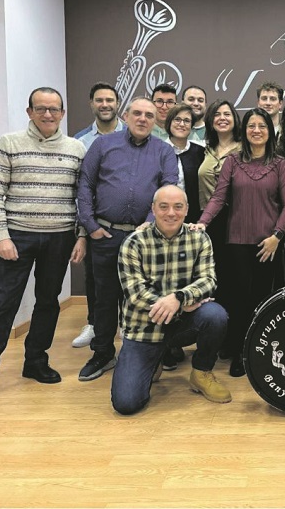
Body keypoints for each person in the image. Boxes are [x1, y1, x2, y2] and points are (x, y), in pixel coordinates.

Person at [0, 87, 87, 407]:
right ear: (30, 112)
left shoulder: (76, 148)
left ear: (63, 114)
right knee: (2, 303)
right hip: (19, 236)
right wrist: (1, 236)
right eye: (41, 108)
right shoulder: (9, 143)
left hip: (60, 236)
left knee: (48, 302)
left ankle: (36, 361)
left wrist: (80, 235)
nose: (48, 114)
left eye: (54, 109)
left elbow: (83, 198)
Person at [77, 97, 182, 382]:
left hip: (146, 238)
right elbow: (85, 184)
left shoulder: (164, 151)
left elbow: (169, 187)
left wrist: (149, 224)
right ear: (126, 115)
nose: (143, 119)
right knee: (105, 298)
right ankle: (102, 353)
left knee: (149, 295)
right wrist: (90, 225)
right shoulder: (103, 145)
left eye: (149, 115)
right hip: (106, 233)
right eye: (137, 113)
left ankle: (153, 352)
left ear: (155, 119)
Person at [111, 185, 231, 414]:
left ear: (186, 210)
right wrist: (179, 307)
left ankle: (201, 372)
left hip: (181, 326)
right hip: (144, 328)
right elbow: (135, 294)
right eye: (163, 207)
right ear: (153, 209)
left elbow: (208, 280)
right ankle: (155, 359)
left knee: (215, 315)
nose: (171, 213)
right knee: (126, 404)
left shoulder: (199, 238)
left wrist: (179, 297)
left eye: (178, 207)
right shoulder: (133, 242)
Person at [195, 107, 285, 378]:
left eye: (262, 126)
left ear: (269, 131)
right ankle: (239, 352)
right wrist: (202, 222)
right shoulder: (232, 162)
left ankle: (259, 353)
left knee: (262, 299)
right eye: (251, 126)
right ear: (245, 131)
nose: (257, 130)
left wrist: (277, 236)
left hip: (268, 244)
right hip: (236, 242)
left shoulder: (280, 164)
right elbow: (218, 197)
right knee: (238, 301)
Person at [71, 82, 125, 349]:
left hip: (131, 224)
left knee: (131, 279)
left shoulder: (135, 133)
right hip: (96, 223)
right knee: (96, 281)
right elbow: (82, 188)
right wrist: (85, 230)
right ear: (92, 104)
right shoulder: (80, 141)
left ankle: (126, 327)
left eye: (110, 100)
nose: (105, 105)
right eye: (99, 100)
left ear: (118, 104)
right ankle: (96, 327)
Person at [196, 100, 241, 357]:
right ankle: (218, 338)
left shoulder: (245, 148)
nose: (222, 118)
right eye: (218, 114)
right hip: (208, 222)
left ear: (235, 118)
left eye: (227, 114)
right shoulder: (205, 149)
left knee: (235, 281)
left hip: (235, 219)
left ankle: (236, 339)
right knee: (216, 281)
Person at [165, 103, 205, 224]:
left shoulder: (200, 152)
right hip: (163, 216)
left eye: (187, 121)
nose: (182, 124)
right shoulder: (157, 150)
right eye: (177, 119)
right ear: (169, 123)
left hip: (193, 219)